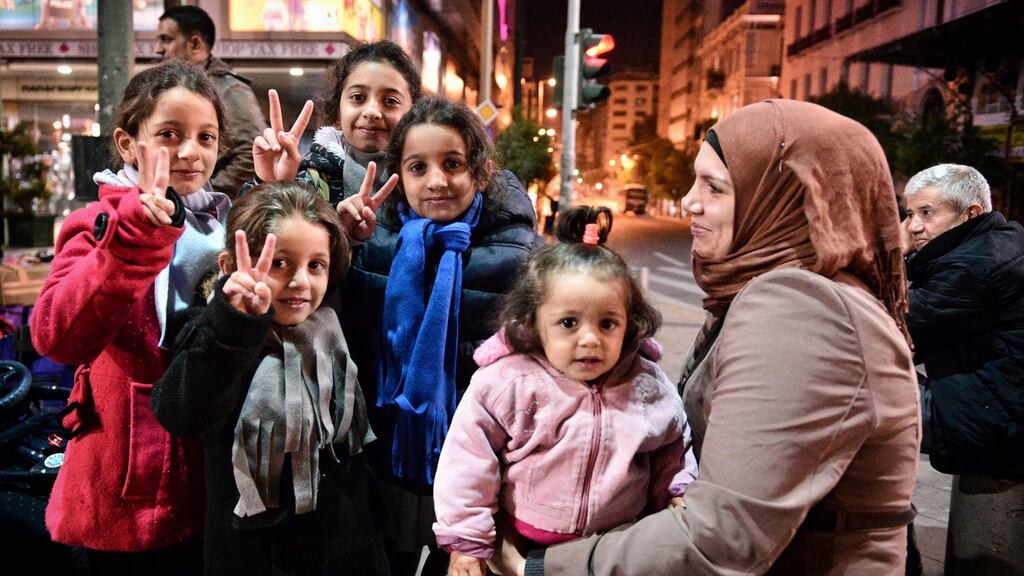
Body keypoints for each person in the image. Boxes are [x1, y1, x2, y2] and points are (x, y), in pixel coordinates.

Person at [491, 99, 921, 575]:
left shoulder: (802, 306)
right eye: (696, 180)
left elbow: (723, 535)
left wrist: (543, 566)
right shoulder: (796, 292)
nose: (688, 201)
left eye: (715, 187)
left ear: (789, 203)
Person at [30, 61, 231, 573]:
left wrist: (280, 193)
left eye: (206, 137)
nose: (190, 152)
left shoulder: (223, 219)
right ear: (126, 144)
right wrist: (131, 240)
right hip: (126, 485)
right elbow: (55, 335)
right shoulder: (97, 223)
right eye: (169, 134)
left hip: (208, 477)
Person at [335, 97, 543, 575]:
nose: (436, 181)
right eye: (417, 167)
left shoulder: (521, 254)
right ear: (398, 174)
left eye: (452, 164)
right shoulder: (374, 244)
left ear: (480, 170)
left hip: (480, 472)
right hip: (386, 458)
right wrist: (343, 244)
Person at [432, 206, 696, 576]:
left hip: (612, 548)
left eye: (607, 323)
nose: (590, 339)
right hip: (522, 540)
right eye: (569, 322)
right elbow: (467, 463)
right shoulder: (507, 382)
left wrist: (677, 490)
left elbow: (673, 445)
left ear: (630, 324)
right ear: (533, 323)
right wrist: (466, 543)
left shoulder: (646, 386)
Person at [151, 182, 389, 575]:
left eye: (316, 265)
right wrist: (235, 324)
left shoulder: (332, 330)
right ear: (230, 267)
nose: (299, 281)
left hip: (346, 549)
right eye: (279, 263)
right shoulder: (213, 333)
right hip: (256, 555)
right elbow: (181, 413)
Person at [901, 163, 1024, 475]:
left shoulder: (972, 269)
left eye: (926, 213)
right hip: (1001, 410)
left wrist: (892, 255)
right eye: (910, 214)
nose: (913, 227)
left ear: (970, 214)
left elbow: (889, 325)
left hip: (992, 428)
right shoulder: (1003, 243)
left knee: (842, 365)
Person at [249, 39, 421, 206]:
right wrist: (270, 184)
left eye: (390, 101)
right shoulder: (309, 181)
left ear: (414, 110)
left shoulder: (430, 178)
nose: (372, 112)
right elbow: (250, 232)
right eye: (358, 97)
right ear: (339, 109)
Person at [156, 5, 267, 197]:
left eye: (167, 39)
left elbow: (252, 152)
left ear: (195, 44)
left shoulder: (230, 89)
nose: (158, 49)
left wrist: (203, 193)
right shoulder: (173, 87)